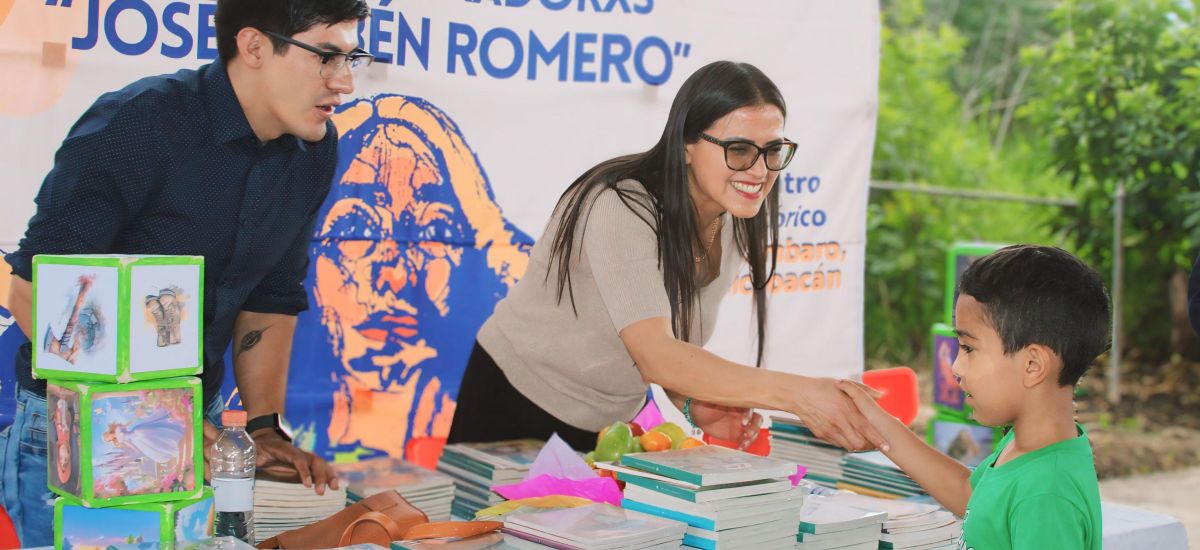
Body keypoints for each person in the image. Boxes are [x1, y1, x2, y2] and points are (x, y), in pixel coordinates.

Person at [0, 0, 371, 543]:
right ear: (253, 47)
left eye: (352, 58)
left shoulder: (314, 147)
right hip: (79, 425)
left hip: (201, 424)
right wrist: (156, 414)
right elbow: (33, 287)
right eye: (326, 57)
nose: (344, 83)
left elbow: (270, 295)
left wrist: (264, 430)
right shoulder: (140, 121)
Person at [447, 60, 887, 454]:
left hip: (606, 424)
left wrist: (695, 403)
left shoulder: (732, 218)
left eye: (773, 151)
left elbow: (675, 351)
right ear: (686, 146)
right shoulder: (619, 203)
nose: (759, 170)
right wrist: (799, 394)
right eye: (739, 150)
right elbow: (655, 355)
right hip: (512, 402)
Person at [839, 245, 1109, 549]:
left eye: (968, 348)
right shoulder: (1026, 445)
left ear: (1033, 365)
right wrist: (876, 423)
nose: (955, 367)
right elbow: (970, 494)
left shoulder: (1047, 495)